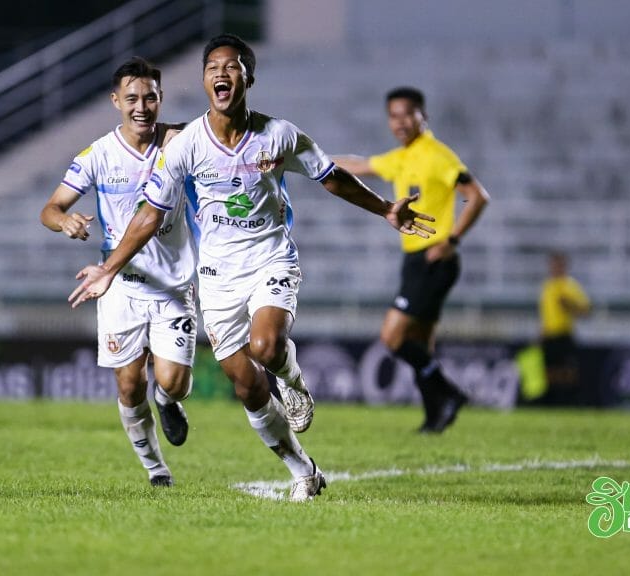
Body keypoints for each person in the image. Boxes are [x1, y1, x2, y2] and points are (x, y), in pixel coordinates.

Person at [69, 34, 435, 501]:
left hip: (270, 259)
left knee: (265, 345)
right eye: (212, 68)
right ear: (205, 81)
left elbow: (331, 177)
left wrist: (384, 208)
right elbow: (149, 215)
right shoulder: (186, 146)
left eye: (232, 66)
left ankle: (293, 380)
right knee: (245, 385)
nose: (221, 73)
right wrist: (110, 268)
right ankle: (304, 471)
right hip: (218, 278)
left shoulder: (279, 135)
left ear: (249, 78)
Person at [40, 57, 197, 488]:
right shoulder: (98, 155)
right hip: (120, 285)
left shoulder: (180, 143)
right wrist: (65, 221)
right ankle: (156, 470)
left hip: (172, 285)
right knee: (129, 385)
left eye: (150, 97)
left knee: (174, 382)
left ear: (161, 99)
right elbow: (50, 208)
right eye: (132, 99)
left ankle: (167, 400)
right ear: (115, 101)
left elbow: (218, 135)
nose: (141, 107)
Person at [334, 86, 489, 434]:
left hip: (434, 259)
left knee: (392, 337)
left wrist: (452, 240)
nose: (400, 122)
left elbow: (477, 196)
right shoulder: (402, 157)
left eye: (407, 114)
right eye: (394, 116)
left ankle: (449, 393)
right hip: (416, 260)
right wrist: (309, 158)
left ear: (423, 116)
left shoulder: (437, 155)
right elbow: (359, 165)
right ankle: (436, 416)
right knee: (420, 344)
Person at [539, 250, 591, 404]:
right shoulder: (548, 286)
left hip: (564, 334)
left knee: (567, 372)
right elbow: (545, 314)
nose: (555, 268)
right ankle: (552, 401)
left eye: (558, 265)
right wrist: (541, 332)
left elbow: (586, 311)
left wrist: (569, 305)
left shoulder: (570, 285)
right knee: (549, 371)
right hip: (549, 336)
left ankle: (568, 400)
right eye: (553, 265)